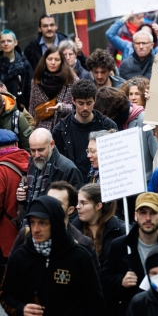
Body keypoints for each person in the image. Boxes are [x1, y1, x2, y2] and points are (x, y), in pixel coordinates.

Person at [0, 195, 106, 316]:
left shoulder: (80, 257)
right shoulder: (20, 256)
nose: (35, 229)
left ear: (56, 224)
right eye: (32, 222)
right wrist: (21, 309)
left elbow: (96, 303)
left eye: (42, 223)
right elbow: (5, 295)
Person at [101, 192, 158, 315]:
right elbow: (104, 280)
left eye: (153, 213)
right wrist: (121, 281)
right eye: (143, 212)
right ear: (135, 215)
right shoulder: (120, 245)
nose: (147, 218)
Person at [52, 79, 117, 178]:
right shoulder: (60, 130)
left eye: (89, 103)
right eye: (81, 103)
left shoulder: (108, 126)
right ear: (73, 101)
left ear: (95, 100)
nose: (85, 108)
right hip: (71, 183)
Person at [94, 87, 158, 181]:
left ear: (115, 113)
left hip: (146, 181)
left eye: (109, 116)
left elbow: (157, 154)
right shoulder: (111, 123)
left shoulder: (144, 119)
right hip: (123, 182)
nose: (107, 119)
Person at [18, 128, 84, 215]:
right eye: (33, 150)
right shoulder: (32, 163)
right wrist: (22, 197)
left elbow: (76, 209)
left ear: (52, 144)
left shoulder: (68, 169)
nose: (36, 155)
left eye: (41, 150)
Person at [74, 183, 125, 267]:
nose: (78, 207)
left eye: (83, 203)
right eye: (78, 202)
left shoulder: (120, 230)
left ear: (98, 206)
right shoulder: (73, 230)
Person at [0, 129, 29, 273]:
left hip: (4, 242)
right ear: (17, 143)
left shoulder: (1, 170)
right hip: (26, 236)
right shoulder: (31, 161)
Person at [28, 45, 77, 130]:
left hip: (65, 128)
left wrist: (62, 107)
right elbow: (32, 108)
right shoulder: (37, 80)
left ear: (62, 61)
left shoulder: (71, 80)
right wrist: (31, 130)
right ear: (45, 60)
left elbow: (77, 107)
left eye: (57, 59)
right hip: (41, 129)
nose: (53, 62)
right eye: (50, 59)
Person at [0, 29, 33, 109]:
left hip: (18, 107)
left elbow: (29, 89)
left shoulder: (24, 64)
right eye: (3, 41)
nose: (6, 44)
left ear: (15, 43)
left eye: (9, 41)